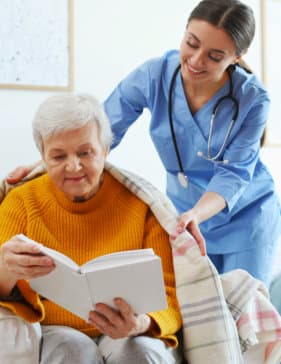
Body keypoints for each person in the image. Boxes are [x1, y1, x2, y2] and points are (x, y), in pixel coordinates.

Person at [7, 0, 281, 286]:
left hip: (247, 218)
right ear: (185, 31)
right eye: (191, 43)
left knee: (246, 316)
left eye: (214, 56)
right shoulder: (156, 75)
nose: (197, 60)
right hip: (184, 213)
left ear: (237, 57)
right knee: (197, 314)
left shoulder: (253, 99)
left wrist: (196, 214)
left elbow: (234, 173)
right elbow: (100, 133)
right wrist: (44, 165)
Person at [0, 94, 183, 364]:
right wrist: (6, 268)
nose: (73, 166)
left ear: (105, 150)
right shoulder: (21, 201)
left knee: (142, 352)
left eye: (85, 153)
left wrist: (142, 323)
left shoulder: (143, 206)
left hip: (130, 329)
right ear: (42, 156)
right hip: (57, 330)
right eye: (58, 156)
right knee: (71, 350)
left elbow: (173, 294)